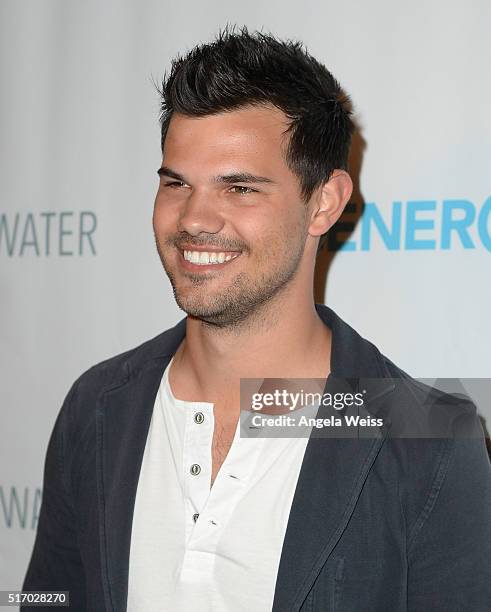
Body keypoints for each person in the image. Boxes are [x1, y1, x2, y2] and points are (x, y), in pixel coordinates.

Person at [22, 25, 491, 612]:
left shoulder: (431, 439)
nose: (195, 218)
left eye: (239, 187)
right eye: (177, 183)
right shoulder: (96, 404)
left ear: (324, 202)